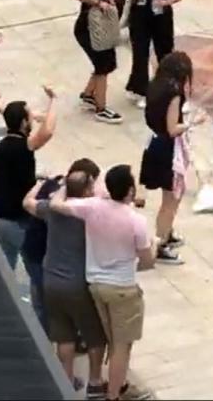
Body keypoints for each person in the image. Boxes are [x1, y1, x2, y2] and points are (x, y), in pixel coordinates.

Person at [45, 164, 155, 401]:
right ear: (129, 191)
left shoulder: (91, 207)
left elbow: (55, 204)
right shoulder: (136, 221)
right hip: (123, 288)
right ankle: (114, 394)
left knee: (111, 339)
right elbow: (147, 260)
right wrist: (151, 248)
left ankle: (117, 385)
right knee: (122, 345)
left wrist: (64, 185)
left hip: (96, 285)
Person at [23, 160, 108, 398]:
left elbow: (27, 203)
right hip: (77, 283)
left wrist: (44, 185)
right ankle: (94, 381)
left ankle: (66, 381)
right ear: (87, 191)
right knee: (94, 336)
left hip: (51, 279)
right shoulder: (88, 213)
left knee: (64, 336)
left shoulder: (52, 210)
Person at [139, 51, 203, 264]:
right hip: (168, 149)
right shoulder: (174, 94)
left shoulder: (154, 85)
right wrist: (192, 123)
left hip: (154, 143)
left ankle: (167, 232)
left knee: (172, 195)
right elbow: (172, 128)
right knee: (171, 200)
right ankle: (161, 243)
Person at [0, 87, 58, 271]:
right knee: (35, 264)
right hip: (18, 219)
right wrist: (54, 100)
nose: (32, 121)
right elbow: (47, 132)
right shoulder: (23, 146)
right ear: (22, 122)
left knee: (6, 263)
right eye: (29, 117)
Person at [125, 0, 185, 106]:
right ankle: (141, 89)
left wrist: (167, 1)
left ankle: (168, 89)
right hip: (141, 13)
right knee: (140, 52)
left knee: (165, 52)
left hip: (162, 13)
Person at [74, 0, 125, 124]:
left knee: (105, 62)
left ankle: (88, 94)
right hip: (88, 27)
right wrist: (98, 2)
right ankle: (101, 108)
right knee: (103, 64)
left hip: (102, 26)